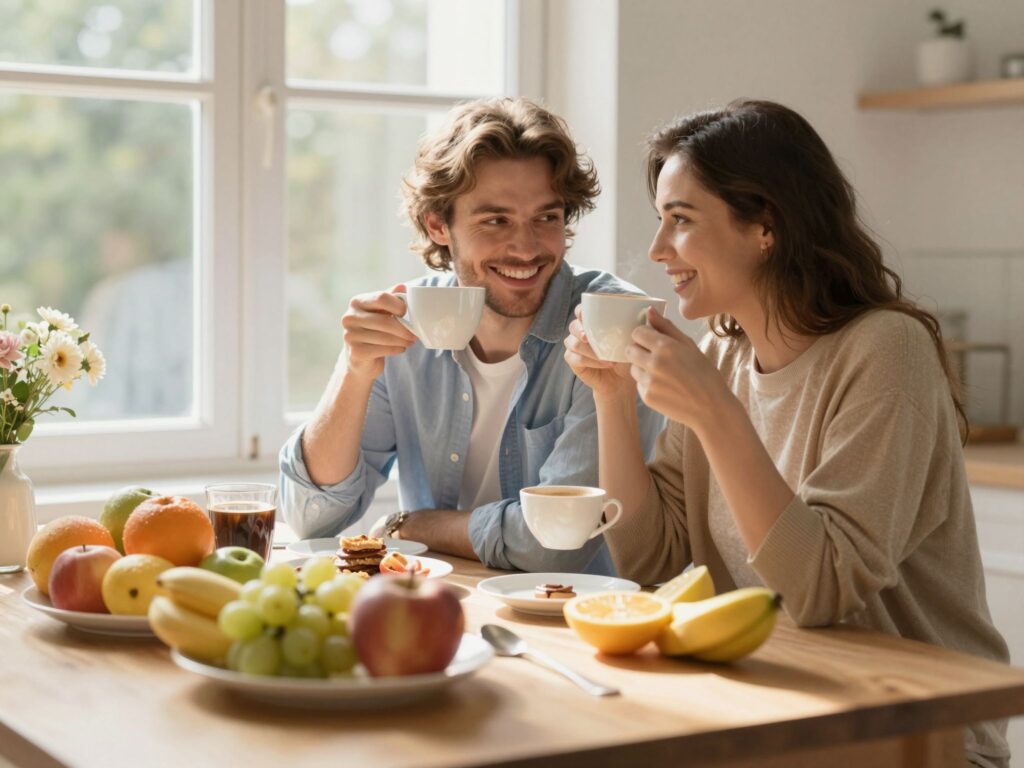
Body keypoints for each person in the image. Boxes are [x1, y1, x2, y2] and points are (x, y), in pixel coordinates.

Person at [564, 99, 1009, 767]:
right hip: (785, 707)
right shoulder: (724, 354)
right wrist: (613, 398)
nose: (658, 251)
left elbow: (820, 589)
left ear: (764, 225)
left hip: (918, 734)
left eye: (680, 221)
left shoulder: (886, 350)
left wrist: (717, 414)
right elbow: (651, 560)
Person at [280, 97, 663, 575]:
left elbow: (553, 546)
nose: (525, 248)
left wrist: (414, 525)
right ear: (438, 225)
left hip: (579, 624)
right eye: (496, 220)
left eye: (546, 217)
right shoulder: (405, 323)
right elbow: (312, 518)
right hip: (438, 607)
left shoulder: (610, 322)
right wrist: (353, 370)